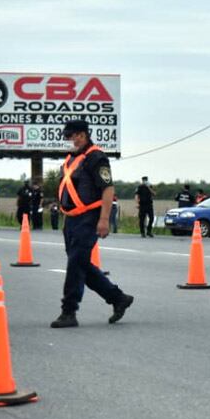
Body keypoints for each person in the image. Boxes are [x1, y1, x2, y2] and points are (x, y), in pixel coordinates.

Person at [51, 119, 134, 328]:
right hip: (71, 219)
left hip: (89, 218)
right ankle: (118, 298)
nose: (68, 140)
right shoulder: (71, 158)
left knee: (75, 264)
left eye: (70, 136)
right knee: (80, 264)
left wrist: (104, 219)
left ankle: (69, 311)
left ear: (81, 135)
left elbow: (108, 189)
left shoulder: (96, 157)